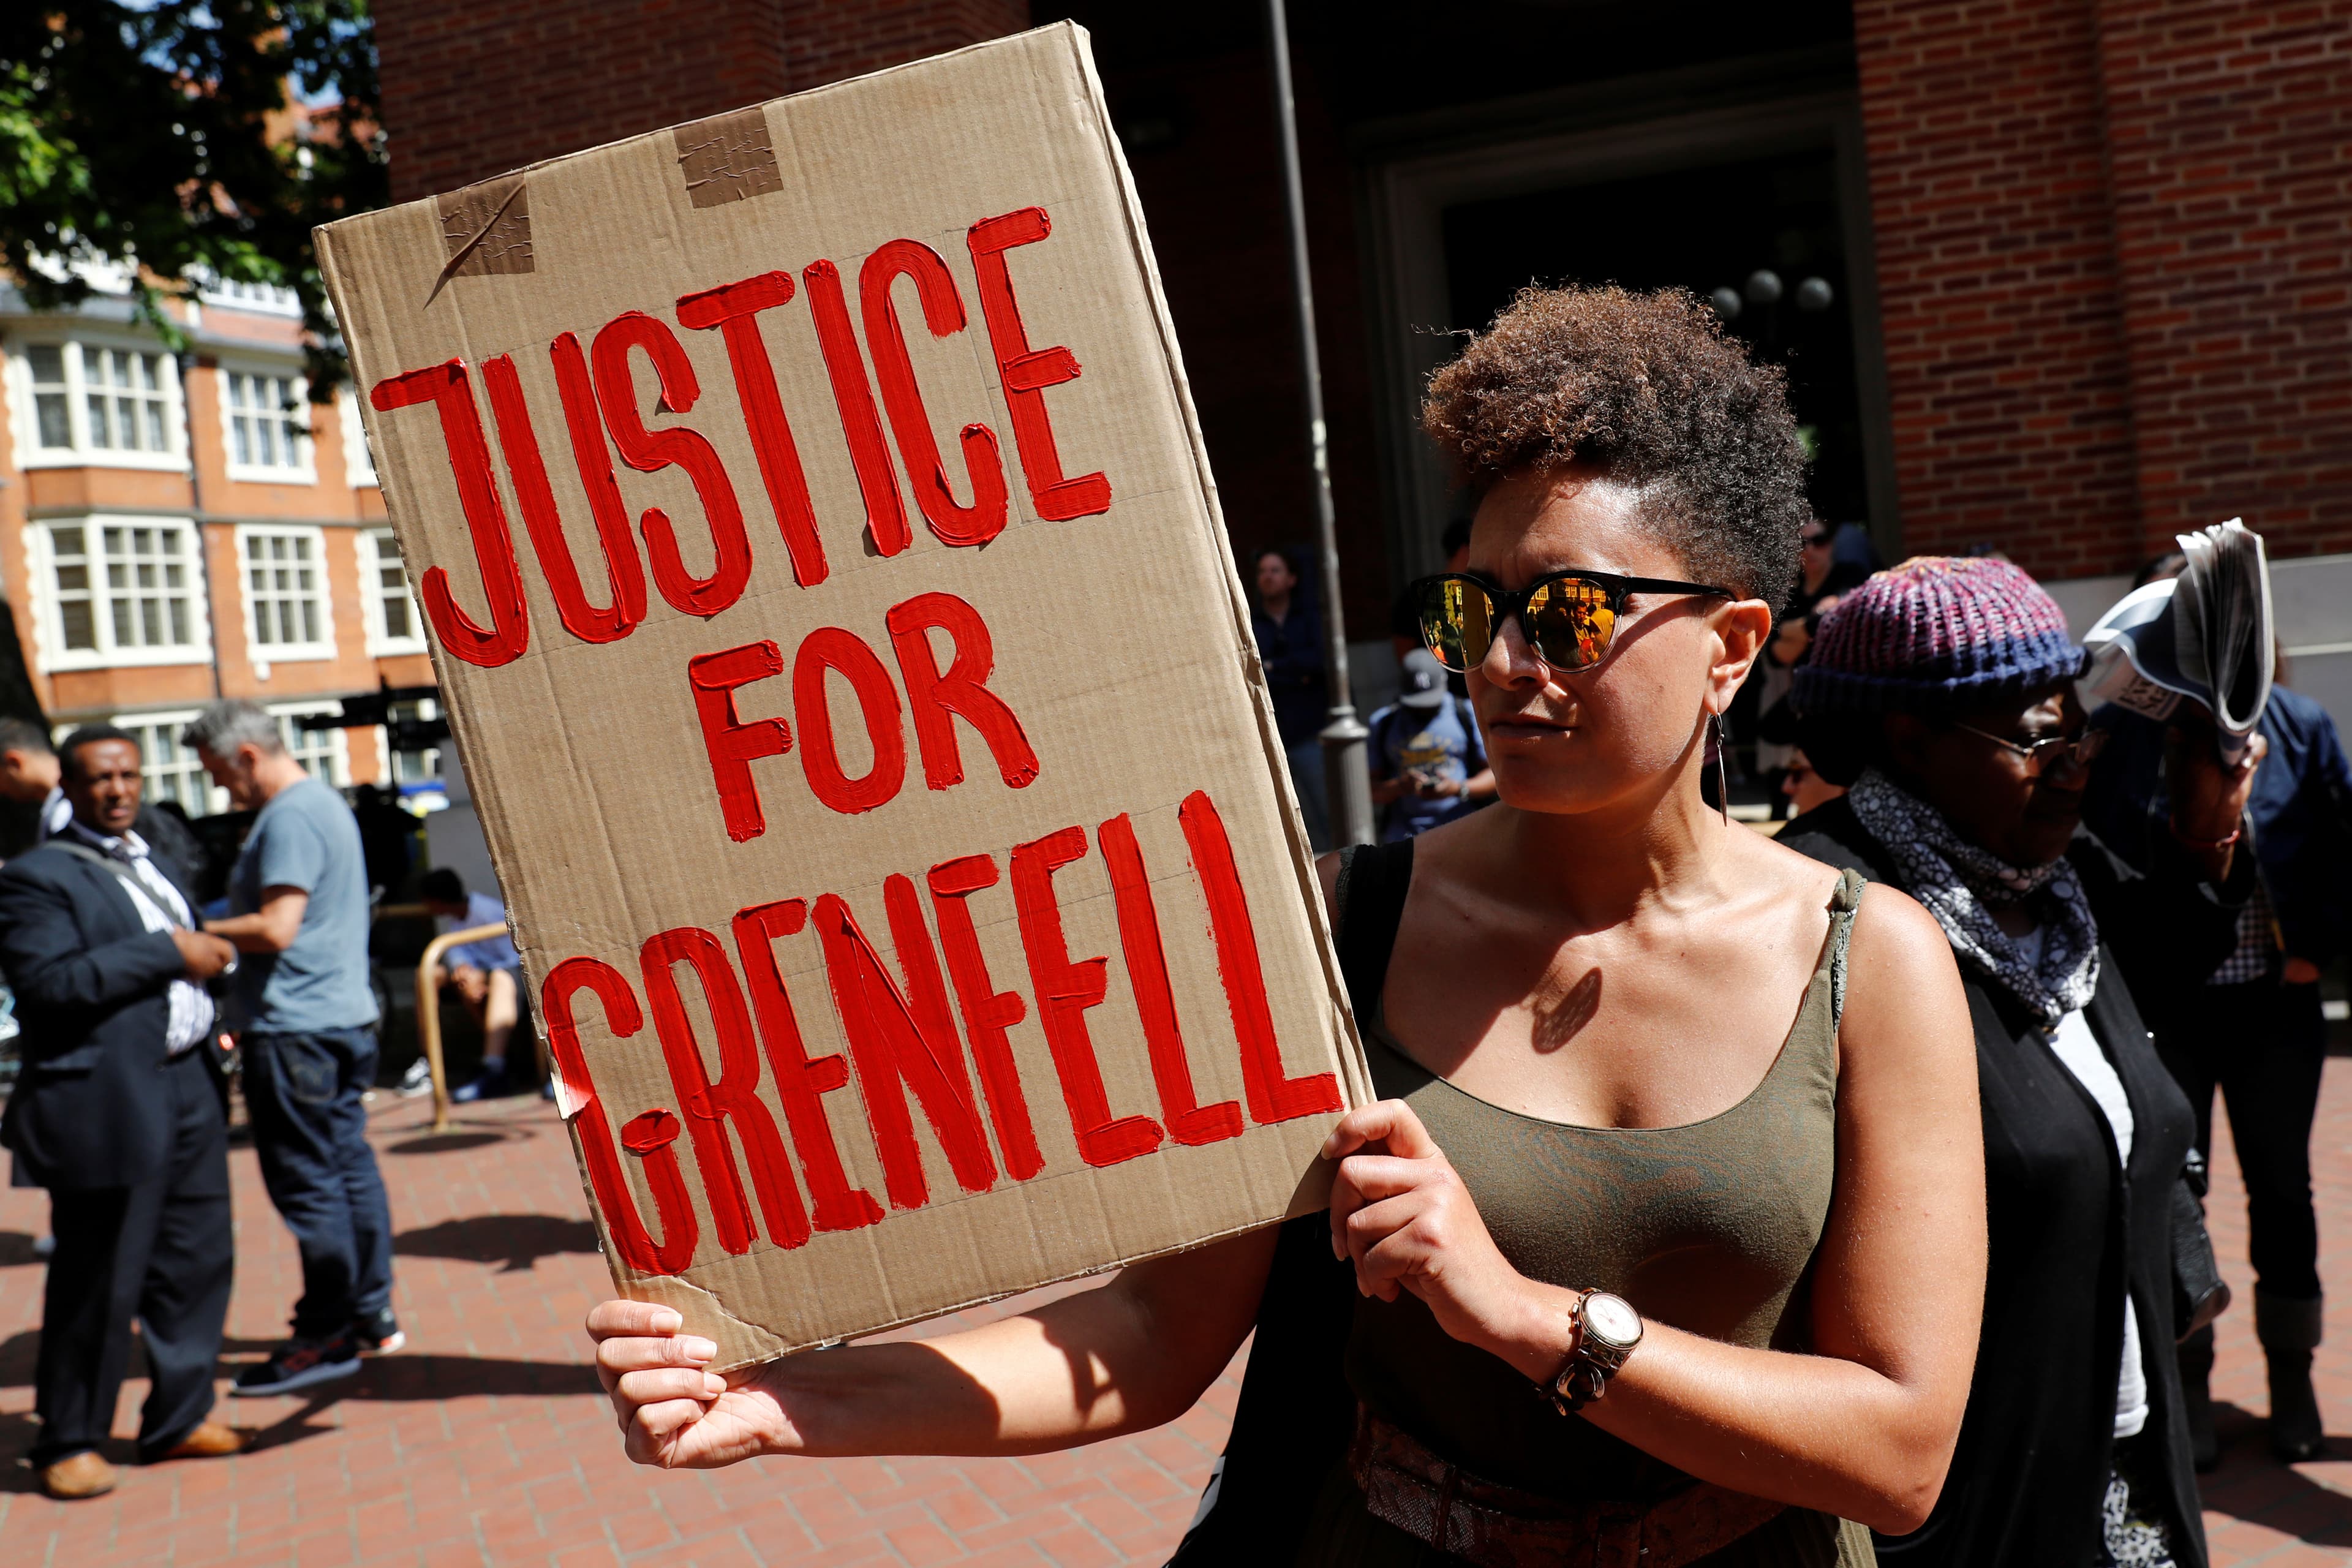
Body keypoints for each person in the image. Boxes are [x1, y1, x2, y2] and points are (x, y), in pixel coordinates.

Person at [586, 285, 1986, 1568]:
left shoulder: (1870, 961)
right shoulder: (1339, 923)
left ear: (1730, 645)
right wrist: (786, 1398)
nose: (1501, 664)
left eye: (1566, 612)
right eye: (1472, 607)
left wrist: (1516, 1312)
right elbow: (1144, 1333)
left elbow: (1899, 1449)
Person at [1781, 556, 2260, 1567]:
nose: (2076, 763)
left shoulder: (2063, 883)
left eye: (2078, 730)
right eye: (2037, 737)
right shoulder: (1816, 914)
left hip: (2125, 1461)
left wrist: (2207, 824)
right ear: (1908, 740)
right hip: (1964, 1514)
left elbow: (2164, 983)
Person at [2083, 581, 2352, 1466]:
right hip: (2170, 1008)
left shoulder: (2300, 723)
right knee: (2172, 1195)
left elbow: (2339, 841)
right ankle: (2187, 1387)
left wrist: (2319, 944)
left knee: (2284, 1190)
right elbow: (2106, 860)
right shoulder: (2127, 735)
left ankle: (2293, 1378)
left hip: (2275, 1002)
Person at [0, 727, 249, 1499]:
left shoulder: (154, 859)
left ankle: (178, 1415)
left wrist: (214, 1007)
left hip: (189, 1086)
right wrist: (173, 952)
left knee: (197, 1261)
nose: (118, 790)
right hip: (107, 1102)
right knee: (100, 1275)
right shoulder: (36, 877)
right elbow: (50, 984)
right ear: (69, 788)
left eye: (129, 775)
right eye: (101, 778)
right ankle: (68, 1437)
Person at [186, 699, 403, 1390]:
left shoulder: (290, 815)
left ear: (247, 755)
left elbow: (279, 926)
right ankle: (367, 1312)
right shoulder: (321, 805)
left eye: (222, 776)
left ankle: (327, 1329)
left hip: (298, 1027)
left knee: (312, 1183)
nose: (224, 791)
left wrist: (199, 929)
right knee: (346, 1168)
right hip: (337, 1017)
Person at [1366, 648, 1494, 841]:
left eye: (1431, 704)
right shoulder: (1384, 723)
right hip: (1404, 836)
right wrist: (1401, 786)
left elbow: (1495, 775)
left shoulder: (1466, 713)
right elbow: (1369, 792)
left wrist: (1458, 789)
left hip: (1462, 827)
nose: (1424, 710)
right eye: (1417, 705)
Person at [419, 867, 523, 1102]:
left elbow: (514, 956)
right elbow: (459, 953)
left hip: (511, 976)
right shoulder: (457, 920)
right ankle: (432, 1060)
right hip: (488, 976)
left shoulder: (488, 911)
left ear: (438, 900)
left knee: (499, 978)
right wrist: (466, 972)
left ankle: (495, 1067)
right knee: (457, 982)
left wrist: (482, 975)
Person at [1252, 546, 1330, 851]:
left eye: (1275, 571)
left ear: (1292, 579)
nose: (1267, 577)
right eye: (1262, 572)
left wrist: (1274, 666)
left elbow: (1318, 661)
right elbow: (1254, 672)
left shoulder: (1309, 619)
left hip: (1311, 733)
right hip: (1274, 736)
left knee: (1327, 813)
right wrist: (1293, 671)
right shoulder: (1252, 622)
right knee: (1292, 823)